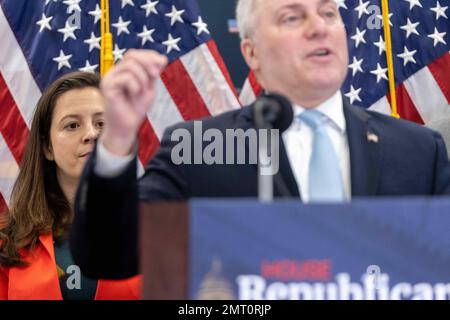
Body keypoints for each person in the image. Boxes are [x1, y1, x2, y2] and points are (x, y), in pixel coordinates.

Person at [70, 0, 450, 280]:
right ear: (251, 52)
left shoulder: (419, 150)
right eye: (292, 17)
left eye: (329, 13)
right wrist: (117, 141)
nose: (318, 28)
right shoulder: (198, 149)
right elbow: (109, 256)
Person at [0, 72, 141, 299]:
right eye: (73, 125)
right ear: (47, 147)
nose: (91, 134)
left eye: (101, 123)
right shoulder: (5, 242)